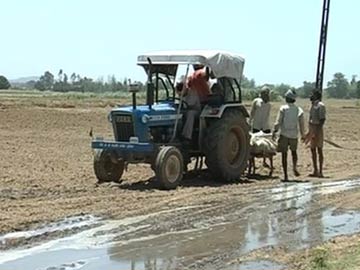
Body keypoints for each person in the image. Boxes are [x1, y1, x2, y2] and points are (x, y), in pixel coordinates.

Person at [273, 89, 305, 181]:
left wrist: (275, 131)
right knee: (294, 152)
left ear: (287, 98)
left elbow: (278, 122)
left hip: (284, 134)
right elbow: (302, 124)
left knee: (284, 154)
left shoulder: (283, 108)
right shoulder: (298, 109)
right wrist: (303, 135)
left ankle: (286, 175)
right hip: (294, 135)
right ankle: (294, 167)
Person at [250, 86, 272, 168]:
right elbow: (252, 112)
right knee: (254, 144)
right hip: (256, 125)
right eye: (264, 94)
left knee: (266, 145)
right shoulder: (256, 101)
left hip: (265, 126)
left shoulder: (269, 104)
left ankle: (265, 161)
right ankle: (253, 163)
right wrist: (250, 122)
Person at [307, 90, 326, 177]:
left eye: (313, 94)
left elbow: (322, 120)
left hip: (318, 129)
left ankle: (320, 171)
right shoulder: (312, 105)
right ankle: (315, 170)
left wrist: (315, 132)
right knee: (312, 150)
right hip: (312, 129)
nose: (311, 96)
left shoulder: (320, 106)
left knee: (319, 150)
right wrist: (309, 132)